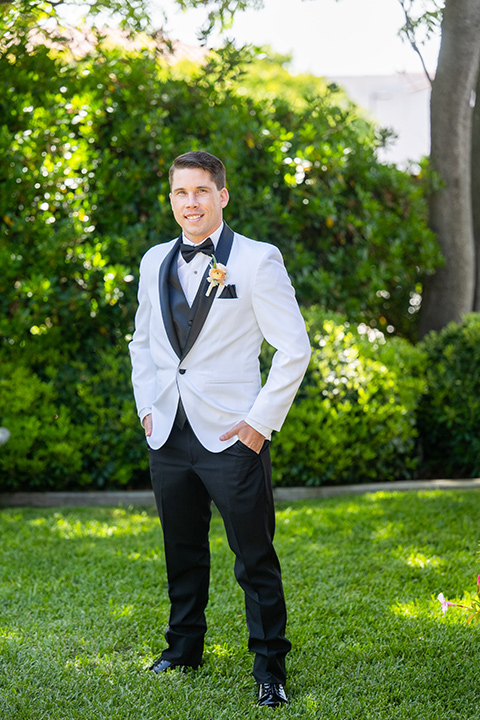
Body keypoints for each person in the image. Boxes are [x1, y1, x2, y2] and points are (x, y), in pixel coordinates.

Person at [129, 150, 311, 709]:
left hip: (233, 435)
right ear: (172, 199)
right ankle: (183, 648)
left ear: (222, 196)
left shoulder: (257, 260)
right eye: (181, 193)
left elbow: (294, 348)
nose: (191, 203)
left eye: (202, 191)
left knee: (253, 555)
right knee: (181, 549)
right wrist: (147, 410)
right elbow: (142, 343)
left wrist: (259, 424)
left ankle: (270, 667)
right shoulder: (154, 260)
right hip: (170, 433)